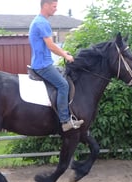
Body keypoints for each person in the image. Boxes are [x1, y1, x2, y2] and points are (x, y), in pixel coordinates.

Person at [29, 0, 84, 132]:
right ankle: (65, 121)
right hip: (43, 65)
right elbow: (51, 46)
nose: (56, 9)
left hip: (44, 62)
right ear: (46, 5)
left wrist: (63, 52)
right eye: (54, 6)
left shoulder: (38, 21)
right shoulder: (42, 23)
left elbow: (49, 47)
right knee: (63, 85)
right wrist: (66, 56)